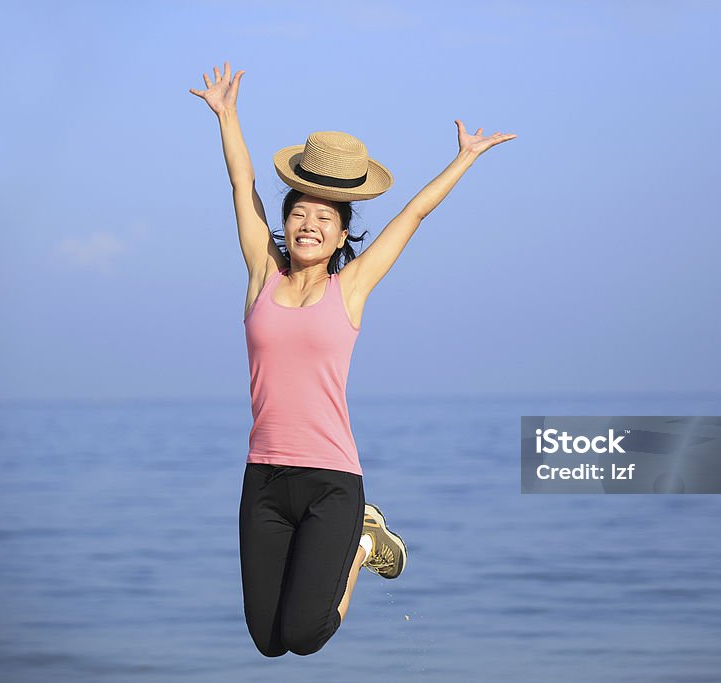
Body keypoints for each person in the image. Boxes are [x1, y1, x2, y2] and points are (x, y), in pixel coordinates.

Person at [189, 61, 516, 657]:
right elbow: (242, 186)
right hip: (262, 477)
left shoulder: (352, 288)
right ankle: (353, 546)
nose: (308, 224)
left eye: (324, 218)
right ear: (286, 224)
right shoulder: (262, 274)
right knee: (267, 641)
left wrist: (464, 158)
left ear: (342, 235)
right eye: (299, 213)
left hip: (331, 480)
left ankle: (364, 543)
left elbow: (411, 216)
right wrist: (227, 116)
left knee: (306, 635)